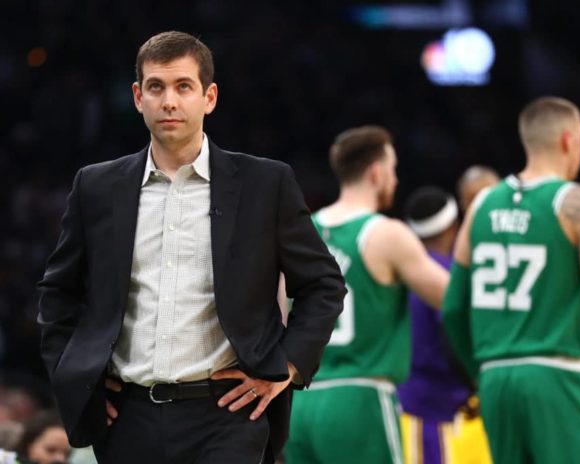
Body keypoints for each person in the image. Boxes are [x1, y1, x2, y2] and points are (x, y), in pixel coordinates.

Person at [37, 31, 345, 464]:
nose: (169, 101)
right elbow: (58, 293)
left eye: (184, 86)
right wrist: (73, 375)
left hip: (227, 414)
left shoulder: (265, 183)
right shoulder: (96, 186)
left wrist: (287, 368)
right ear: (137, 97)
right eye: (156, 87)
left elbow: (323, 285)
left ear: (209, 97)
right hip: (126, 415)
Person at [443, 96, 580, 463]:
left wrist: (481, 372)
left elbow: (454, 307)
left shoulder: (481, 205)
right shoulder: (578, 203)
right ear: (569, 140)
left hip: (497, 379)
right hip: (561, 378)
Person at [284, 126, 449, 464]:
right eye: (393, 169)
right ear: (376, 173)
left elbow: (279, 317)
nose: (396, 180)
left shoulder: (300, 233)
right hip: (361, 397)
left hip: (300, 402)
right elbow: (452, 298)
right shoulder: (386, 234)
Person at [398, 186, 492, 464]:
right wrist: (474, 380)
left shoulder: (398, 273)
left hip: (406, 403)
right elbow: (452, 335)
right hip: (439, 409)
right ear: (454, 226)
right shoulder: (446, 273)